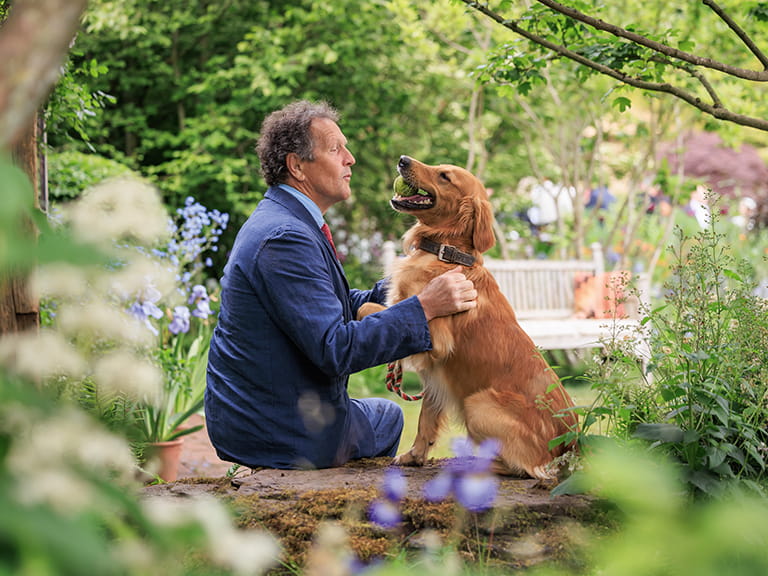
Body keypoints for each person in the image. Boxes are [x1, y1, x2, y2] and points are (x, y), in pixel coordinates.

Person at [205, 100, 477, 470]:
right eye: (336, 149)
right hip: (280, 430)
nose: (350, 159)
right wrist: (426, 306)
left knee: (382, 414)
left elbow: (331, 302)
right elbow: (336, 348)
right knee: (389, 418)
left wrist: (417, 278)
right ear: (297, 166)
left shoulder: (285, 219)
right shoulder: (285, 238)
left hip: (265, 415)